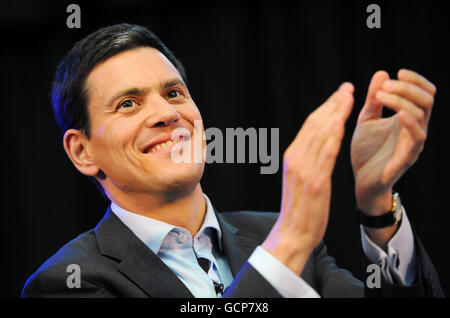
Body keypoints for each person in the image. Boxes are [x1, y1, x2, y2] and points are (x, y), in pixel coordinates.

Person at [21, 23, 444, 298]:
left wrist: (375, 204)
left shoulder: (271, 234)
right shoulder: (67, 281)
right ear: (83, 151)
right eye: (129, 103)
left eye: (174, 93)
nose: (168, 114)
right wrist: (289, 243)